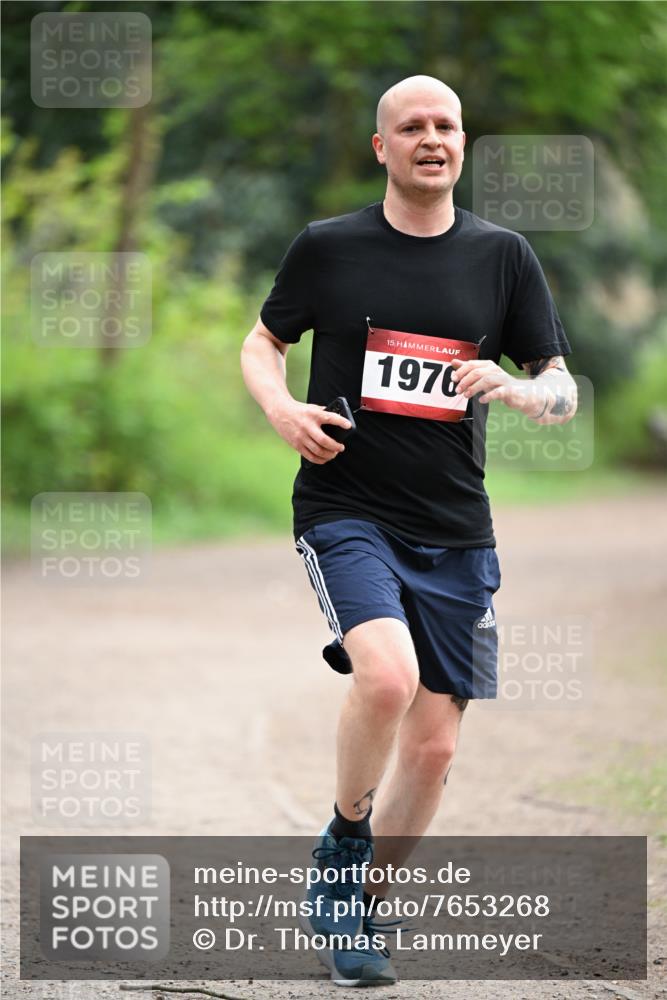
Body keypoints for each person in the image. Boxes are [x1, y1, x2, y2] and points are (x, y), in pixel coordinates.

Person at [241, 75, 577, 986]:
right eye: (411, 127)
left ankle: (362, 913)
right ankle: (343, 845)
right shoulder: (330, 248)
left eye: (446, 125)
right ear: (381, 148)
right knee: (384, 680)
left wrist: (519, 388)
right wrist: (280, 409)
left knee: (434, 748)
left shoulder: (503, 257)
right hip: (346, 507)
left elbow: (559, 384)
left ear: (461, 143)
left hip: (457, 527)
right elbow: (263, 341)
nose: (432, 137)